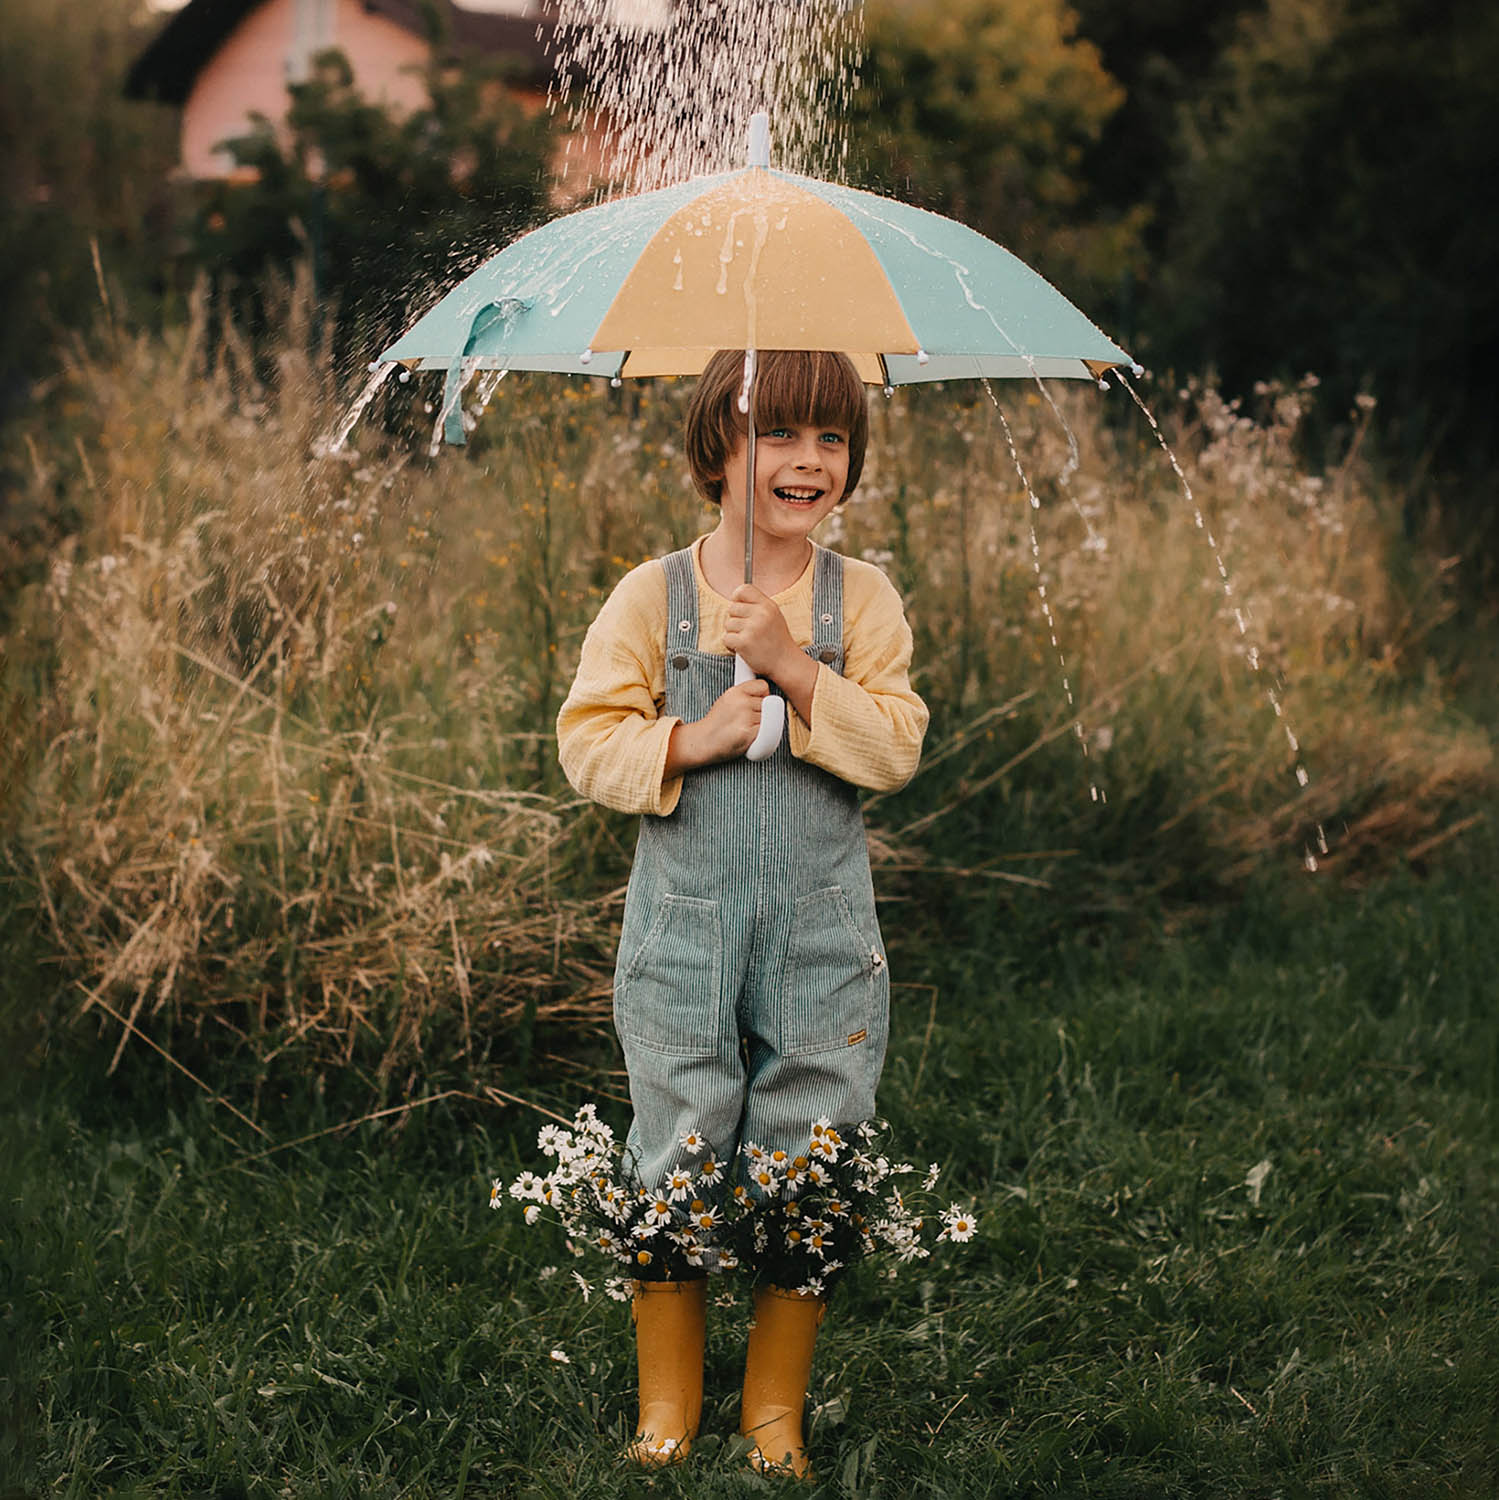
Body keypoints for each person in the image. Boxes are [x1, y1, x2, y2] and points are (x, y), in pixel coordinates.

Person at [556, 347, 928, 1477]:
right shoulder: (652, 595)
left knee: (810, 1140)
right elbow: (585, 741)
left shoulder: (857, 598)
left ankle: (772, 1411)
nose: (807, 460)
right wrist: (689, 737)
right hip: (685, 925)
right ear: (717, 444)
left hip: (819, 929)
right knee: (676, 1130)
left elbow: (894, 746)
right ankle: (667, 1405)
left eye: (830, 439)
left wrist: (792, 667)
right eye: (779, 432)